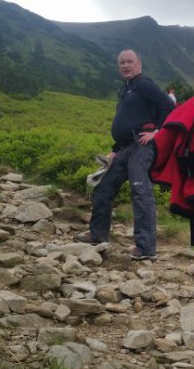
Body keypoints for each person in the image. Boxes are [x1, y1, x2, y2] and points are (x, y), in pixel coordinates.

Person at [73, 49, 175, 260]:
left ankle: (145, 248)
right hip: (125, 147)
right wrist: (115, 149)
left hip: (141, 147)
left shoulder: (143, 84)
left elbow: (168, 104)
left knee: (140, 191)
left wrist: (157, 131)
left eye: (130, 61)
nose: (126, 65)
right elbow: (127, 120)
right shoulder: (127, 88)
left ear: (139, 64)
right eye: (122, 62)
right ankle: (97, 235)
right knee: (103, 186)